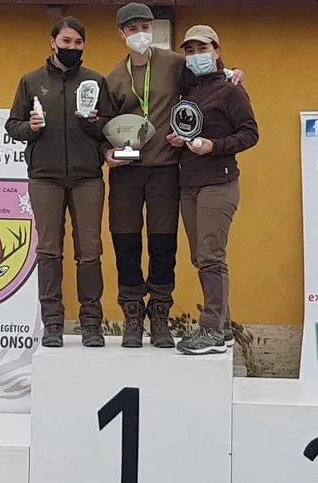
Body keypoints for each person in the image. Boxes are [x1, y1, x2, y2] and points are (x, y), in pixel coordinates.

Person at [102, 2, 245, 348]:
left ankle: (161, 316)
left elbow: (210, 78)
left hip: (167, 169)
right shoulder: (112, 77)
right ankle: (133, 315)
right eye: (132, 28)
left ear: (153, 29)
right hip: (127, 171)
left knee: (163, 245)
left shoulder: (175, 64)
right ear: (121, 33)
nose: (139, 34)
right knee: (126, 242)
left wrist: (233, 72)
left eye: (145, 27)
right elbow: (102, 127)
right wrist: (104, 154)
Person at [5, 16, 115, 348]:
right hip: (45, 178)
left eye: (78, 43)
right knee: (49, 251)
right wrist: (32, 128)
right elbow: (13, 125)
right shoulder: (30, 81)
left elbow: (108, 127)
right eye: (66, 42)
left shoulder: (95, 81)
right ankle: (52, 324)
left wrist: (96, 123)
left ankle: (92, 324)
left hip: (87, 177)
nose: (72, 48)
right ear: (52, 42)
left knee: (90, 252)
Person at [165, 25, 257, 355]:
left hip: (219, 183)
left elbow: (250, 134)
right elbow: (188, 131)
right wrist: (178, 141)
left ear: (217, 51)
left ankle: (211, 331)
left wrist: (213, 146)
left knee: (210, 257)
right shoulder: (188, 92)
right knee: (202, 257)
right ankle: (224, 327)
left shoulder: (231, 90)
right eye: (189, 51)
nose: (195, 56)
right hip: (188, 184)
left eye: (202, 49)